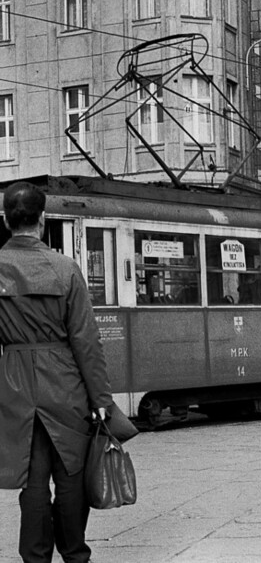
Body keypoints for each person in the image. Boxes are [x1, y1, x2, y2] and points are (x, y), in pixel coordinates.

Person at [0, 181, 113, 563]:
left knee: (32, 482)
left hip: (16, 385)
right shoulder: (66, 269)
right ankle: (75, 554)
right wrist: (100, 399)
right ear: (43, 219)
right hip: (65, 384)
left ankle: (35, 557)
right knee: (70, 477)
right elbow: (87, 342)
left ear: (5, 219)